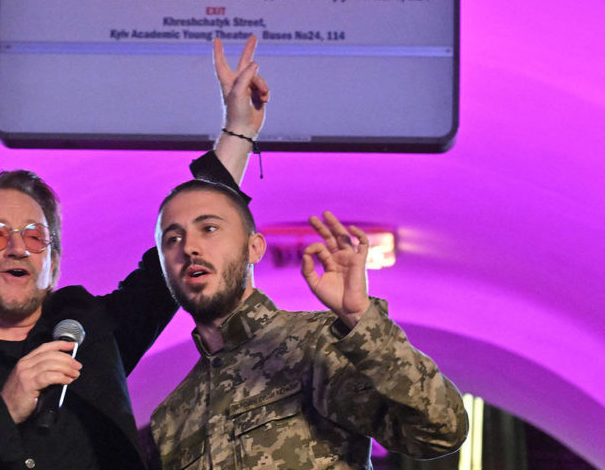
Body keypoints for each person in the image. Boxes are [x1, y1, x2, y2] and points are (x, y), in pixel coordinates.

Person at [0, 36, 269, 470]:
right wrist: (4, 409)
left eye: (35, 237)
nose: (18, 248)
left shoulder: (92, 335)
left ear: (51, 263)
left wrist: (238, 131)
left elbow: (172, 260)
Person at [149, 179, 469, 469]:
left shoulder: (318, 344)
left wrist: (362, 320)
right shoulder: (171, 418)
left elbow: (440, 431)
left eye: (209, 229)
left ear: (253, 248)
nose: (188, 247)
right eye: (173, 238)